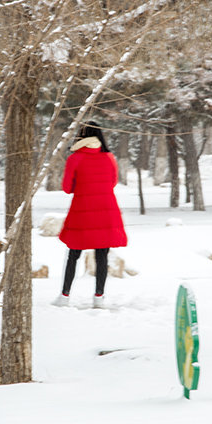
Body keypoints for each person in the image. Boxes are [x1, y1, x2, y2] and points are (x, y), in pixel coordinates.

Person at [54, 122, 127, 308]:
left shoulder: (74, 158)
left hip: (82, 209)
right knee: (102, 254)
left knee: (73, 253)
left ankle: (64, 296)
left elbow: (67, 188)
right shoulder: (109, 157)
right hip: (106, 209)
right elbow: (112, 182)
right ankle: (99, 298)